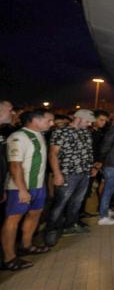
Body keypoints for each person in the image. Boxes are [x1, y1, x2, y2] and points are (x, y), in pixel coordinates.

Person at [1, 109, 54, 270]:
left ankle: (26, 245)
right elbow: (15, 166)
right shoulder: (19, 137)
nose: (52, 124)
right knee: (13, 220)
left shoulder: (40, 135)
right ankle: (9, 258)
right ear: (35, 120)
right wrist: (23, 190)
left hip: (38, 186)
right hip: (20, 187)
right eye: (49, 120)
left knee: (35, 214)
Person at [44, 110, 98, 246]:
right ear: (78, 118)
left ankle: (70, 225)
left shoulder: (86, 132)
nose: (90, 124)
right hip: (67, 174)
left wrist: (91, 167)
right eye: (88, 121)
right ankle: (51, 230)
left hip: (84, 173)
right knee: (60, 203)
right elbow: (53, 154)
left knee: (77, 202)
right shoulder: (60, 132)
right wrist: (57, 174)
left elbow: (88, 151)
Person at [80, 109, 109, 217]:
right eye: (101, 120)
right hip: (89, 166)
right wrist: (94, 166)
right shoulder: (89, 132)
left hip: (96, 165)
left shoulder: (98, 132)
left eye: (105, 121)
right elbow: (89, 151)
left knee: (87, 190)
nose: (103, 123)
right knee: (83, 191)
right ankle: (77, 215)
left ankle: (81, 212)